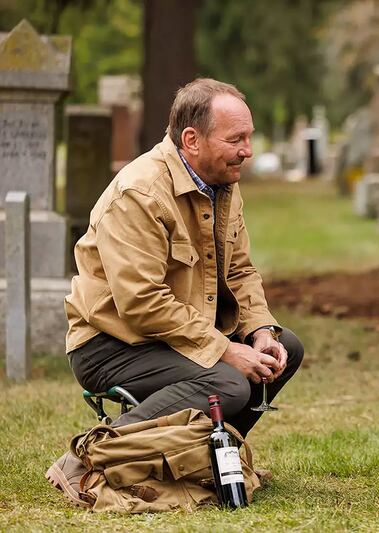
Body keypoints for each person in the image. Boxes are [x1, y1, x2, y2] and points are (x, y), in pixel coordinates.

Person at [46, 78, 304, 507]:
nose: (248, 150)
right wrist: (223, 348)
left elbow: (239, 270)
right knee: (230, 383)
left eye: (249, 137)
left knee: (284, 349)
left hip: (174, 335)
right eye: (236, 139)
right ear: (191, 139)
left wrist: (260, 330)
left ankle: (210, 463)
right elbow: (141, 303)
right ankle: (88, 458)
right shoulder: (140, 192)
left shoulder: (222, 182)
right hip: (110, 345)